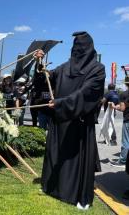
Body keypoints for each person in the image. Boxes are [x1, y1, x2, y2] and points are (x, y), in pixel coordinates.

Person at [35, 31, 105, 209]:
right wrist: (39, 64)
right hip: (60, 121)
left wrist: (60, 103)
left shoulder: (97, 69)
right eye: (75, 46)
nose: (77, 50)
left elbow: (87, 93)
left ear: (89, 48)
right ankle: (52, 188)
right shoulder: (65, 67)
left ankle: (79, 197)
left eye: (80, 47)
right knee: (57, 156)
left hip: (78, 122)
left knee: (75, 160)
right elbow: (47, 78)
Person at [110, 77, 129, 168]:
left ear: (126, 84)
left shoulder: (125, 94)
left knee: (126, 141)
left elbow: (122, 108)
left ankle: (123, 161)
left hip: (128, 120)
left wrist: (114, 106)